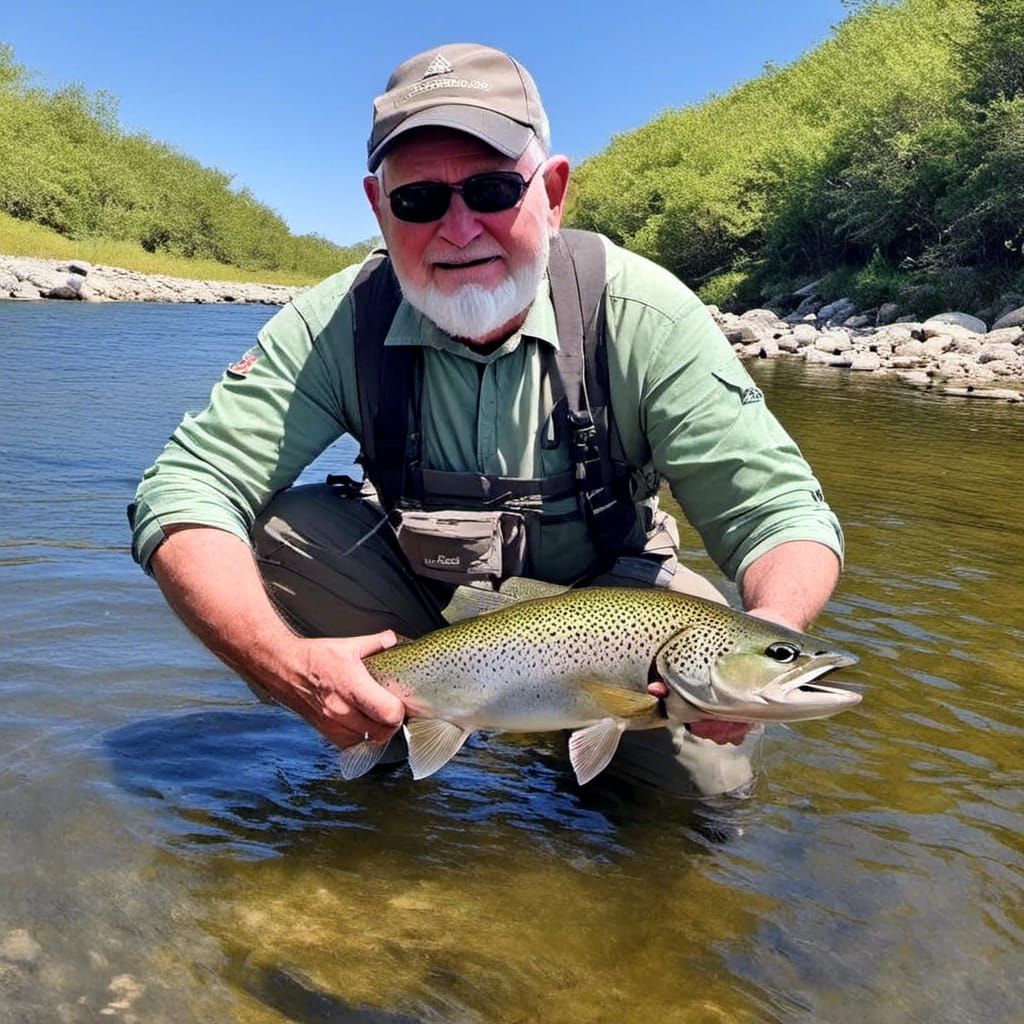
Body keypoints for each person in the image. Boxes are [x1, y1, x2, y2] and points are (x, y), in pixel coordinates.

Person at [129, 43, 843, 796]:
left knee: (699, 802)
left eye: (494, 190)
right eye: (419, 201)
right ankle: (385, 725)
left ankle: (575, 744)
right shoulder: (340, 323)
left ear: (553, 192)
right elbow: (186, 487)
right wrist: (283, 665)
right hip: (421, 604)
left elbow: (779, 512)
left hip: (623, 624)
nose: (460, 228)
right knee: (269, 536)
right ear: (379, 208)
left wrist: (772, 634)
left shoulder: (645, 318)